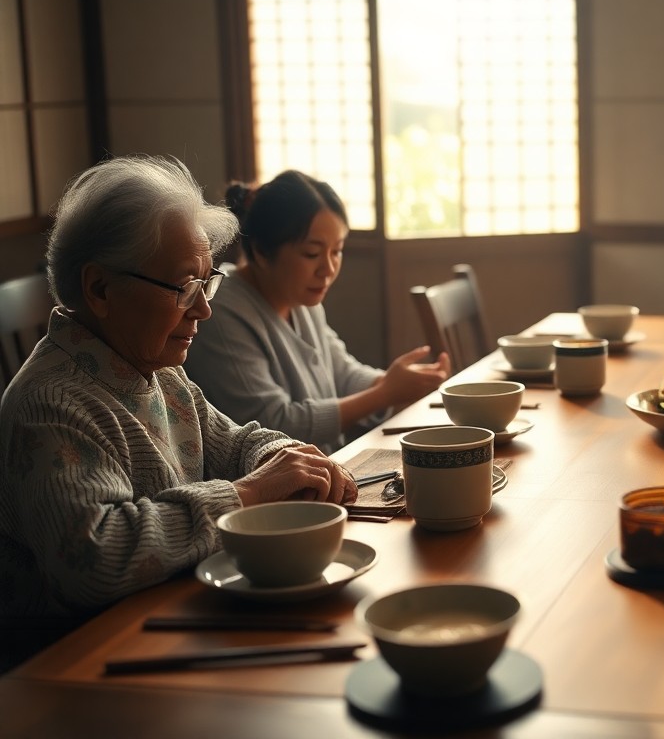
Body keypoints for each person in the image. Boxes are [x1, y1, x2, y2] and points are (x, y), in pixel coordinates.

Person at [0, 156, 357, 647]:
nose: (204, 308)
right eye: (184, 286)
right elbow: (98, 558)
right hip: (75, 662)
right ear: (99, 288)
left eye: (207, 282)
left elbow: (234, 443)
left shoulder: (159, 372)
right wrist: (248, 493)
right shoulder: (50, 403)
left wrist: (283, 459)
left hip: (169, 620)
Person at [184, 171, 449, 454]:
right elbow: (273, 423)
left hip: (323, 469)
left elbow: (342, 372)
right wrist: (385, 393)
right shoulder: (222, 311)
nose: (328, 269)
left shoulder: (299, 296)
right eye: (312, 254)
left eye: (337, 251)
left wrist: (404, 381)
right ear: (261, 251)